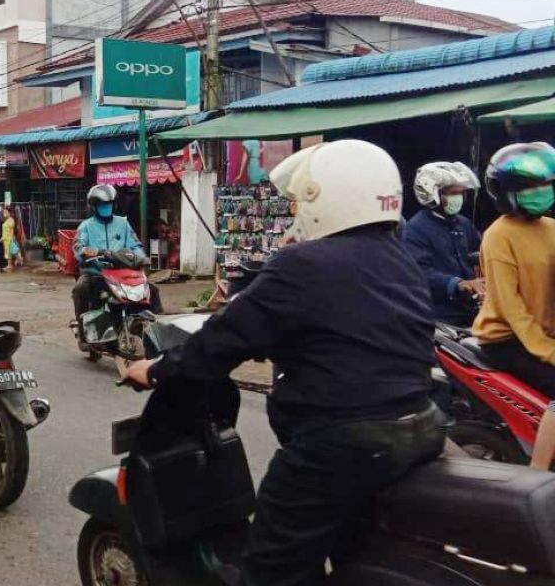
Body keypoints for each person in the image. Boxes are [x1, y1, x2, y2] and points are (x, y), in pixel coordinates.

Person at [121, 140, 445, 585]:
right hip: (420, 428)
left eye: (301, 200)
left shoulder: (304, 263)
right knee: (352, 546)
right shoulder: (399, 259)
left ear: (327, 199)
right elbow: (350, 334)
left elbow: (224, 337)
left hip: (339, 444)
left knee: (273, 569)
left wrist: (155, 369)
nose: (296, 214)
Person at [471, 142, 555, 470]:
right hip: (507, 340)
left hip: (543, 334)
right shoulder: (498, 236)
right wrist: (547, 350)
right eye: (532, 187)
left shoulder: (551, 228)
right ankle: (538, 477)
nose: (542, 191)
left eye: (546, 184)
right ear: (508, 193)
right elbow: (511, 308)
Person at [402, 162, 484, 327]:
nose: (458, 198)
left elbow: (478, 252)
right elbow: (418, 273)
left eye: (461, 193)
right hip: (440, 319)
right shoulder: (415, 229)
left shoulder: (463, 224)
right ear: (432, 194)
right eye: (453, 193)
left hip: (470, 311)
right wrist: (457, 283)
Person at [71, 184, 144, 320]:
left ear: (114, 205)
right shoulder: (86, 226)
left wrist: (141, 258)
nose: (106, 207)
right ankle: (82, 324)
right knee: (80, 288)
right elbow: (78, 247)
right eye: (102, 205)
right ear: (94, 206)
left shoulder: (123, 224)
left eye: (109, 204)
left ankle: (150, 328)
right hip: (96, 274)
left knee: (150, 288)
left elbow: (135, 245)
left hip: (122, 274)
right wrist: (94, 252)